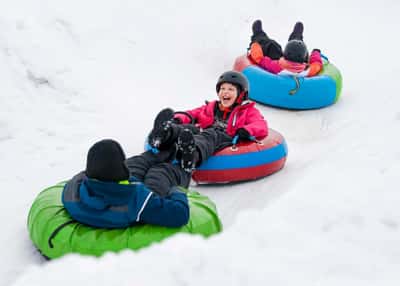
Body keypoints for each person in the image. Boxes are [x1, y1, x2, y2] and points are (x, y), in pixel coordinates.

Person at [148, 71, 268, 172]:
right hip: (202, 132)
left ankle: (191, 155)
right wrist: (177, 119)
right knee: (191, 129)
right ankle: (164, 134)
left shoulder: (247, 111)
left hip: (223, 138)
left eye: (231, 89)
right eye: (222, 89)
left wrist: (246, 130)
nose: (225, 92)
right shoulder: (211, 107)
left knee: (211, 134)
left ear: (241, 95)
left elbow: (260, 125)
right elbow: (192, 113)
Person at [62, 139, 190, 229]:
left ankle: (164, 148)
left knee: (135, 163)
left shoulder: (72, 190)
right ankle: (185, 161)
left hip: (110, 187)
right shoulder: (137, 202)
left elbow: (87, 174)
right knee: (160, 173)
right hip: (134, 194)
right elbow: (180, 214)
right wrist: (176, 191)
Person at [248, 20, 323, 77]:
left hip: (280, 63)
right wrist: (316, 52)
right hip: (300, 67)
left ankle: (258, 34)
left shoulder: (276, 67)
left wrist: (255, 45)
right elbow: (317, 64)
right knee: (299, 45)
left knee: (272, 45)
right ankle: (297, 35)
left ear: (284, 54)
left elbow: (260, 59)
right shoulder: (307, 71)